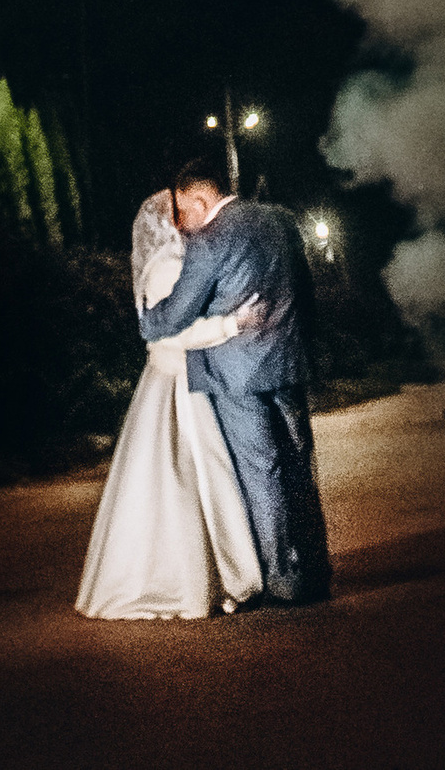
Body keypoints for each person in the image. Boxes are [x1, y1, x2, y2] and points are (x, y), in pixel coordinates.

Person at [129, 161, 332, 607]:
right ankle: (318, 570)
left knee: (263, 473)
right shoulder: (282, 219)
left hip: (235, 373)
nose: (182, 222)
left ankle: (284, 579)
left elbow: (178, 312)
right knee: (299, 464)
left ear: (201, 200)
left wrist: (148, 322)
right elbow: (306, 289)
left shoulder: (211, 237)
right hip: (288, 364)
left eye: (183, 210)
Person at [74, 187, 262, 618]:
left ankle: (214, 575)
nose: (186, 223)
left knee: (192, 479)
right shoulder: (166, 269)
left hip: (180, 378)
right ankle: (180, 583)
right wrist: (232, 324)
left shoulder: (169, 264)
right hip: (177, 384)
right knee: (184, 477)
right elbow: (172, 332)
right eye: (177, 217)